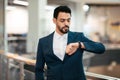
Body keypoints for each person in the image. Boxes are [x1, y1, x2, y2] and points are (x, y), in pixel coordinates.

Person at [35, 5, 105, 80]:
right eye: (62, 20)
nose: (66, 23)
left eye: (68, 20)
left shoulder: (78, 37)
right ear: (54, 21)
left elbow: (101, 48)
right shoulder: (43, 42)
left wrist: (79, 45)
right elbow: (39, 69)